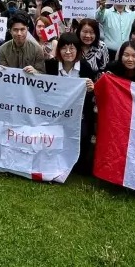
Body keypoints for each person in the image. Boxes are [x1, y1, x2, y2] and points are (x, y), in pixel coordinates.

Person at [42, 32, 96, 173]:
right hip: (54, 112)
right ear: (58, 50)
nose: (68, 52)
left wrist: (91, 89)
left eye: (72, 48)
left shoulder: (85, 68)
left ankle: (77, 164)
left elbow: (90, 98)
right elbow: (42, 87)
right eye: (64, 48)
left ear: (77, 50)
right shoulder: (50, 66)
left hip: (78, 114)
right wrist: (34, 72)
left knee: (83, 133)